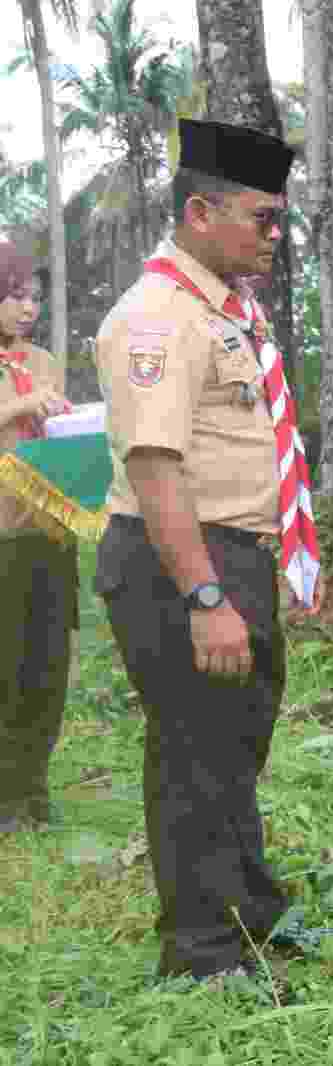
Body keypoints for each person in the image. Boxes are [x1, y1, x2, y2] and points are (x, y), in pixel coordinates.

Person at [93, 119, 319, 982]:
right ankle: (201, 950)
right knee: (194, 750)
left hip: (237, 554)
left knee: (235, 744)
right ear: (199, 212)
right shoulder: (155, 319)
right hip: (177, 565)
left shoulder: (225, 311)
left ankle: (246, 908)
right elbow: (155, 471)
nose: (274, 234)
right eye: (261, 218)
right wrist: (206, 598)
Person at [0, 243, 75, 834]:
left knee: (47, 667)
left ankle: (33, 788)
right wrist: (20, 405)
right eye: (15, 296)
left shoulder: (46, 360)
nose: (27, 308)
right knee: (6, 667)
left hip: (50, 533)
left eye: (31, 297)